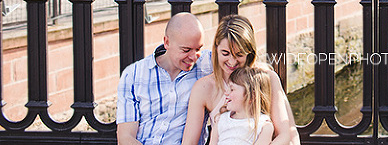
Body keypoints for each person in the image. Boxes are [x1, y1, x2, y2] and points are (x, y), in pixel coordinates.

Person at [181, 15, 300, 145]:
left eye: (239, 55)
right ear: (216, 49)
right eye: (225, 53)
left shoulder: (266, 77)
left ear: (249, 52)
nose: (232, 62)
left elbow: (286, 135)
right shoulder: (203, 88)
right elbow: (189, 142)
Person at [117, 12, 213, 145]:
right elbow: (126, 137)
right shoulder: (133, 75)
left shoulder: (207, 65)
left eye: (198, 49)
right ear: (166, 42)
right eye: (186, 50)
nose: (193, 57)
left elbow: (238, 58)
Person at [210, 67, 274, 145]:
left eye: (232, 89)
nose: (226, 93)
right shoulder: (221, 120)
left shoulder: (263, 125)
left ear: (252, 95)